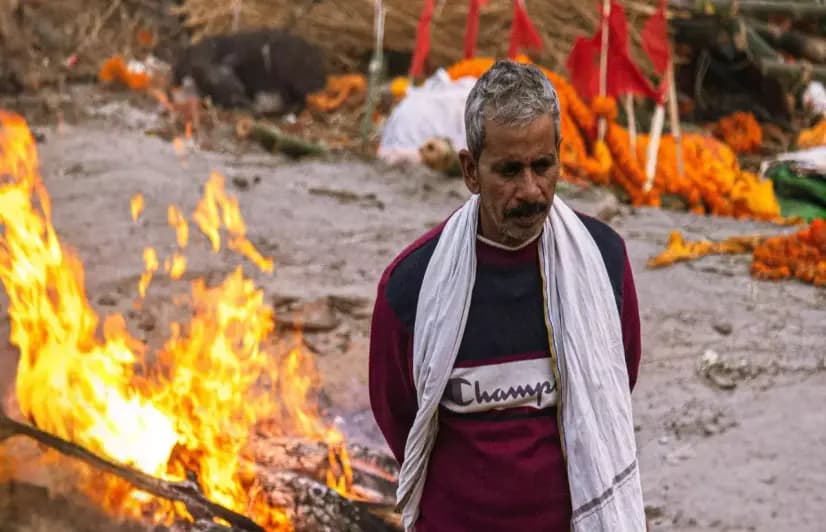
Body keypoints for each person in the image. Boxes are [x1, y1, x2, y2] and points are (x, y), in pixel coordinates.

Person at [368, 59, 644, 532]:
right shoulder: (413, 289)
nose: (531, 190)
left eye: (543, 166)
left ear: (560, 155)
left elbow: (619, 375)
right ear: (470, 170)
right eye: (509, 170)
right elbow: (399, 416)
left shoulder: (603, 264)